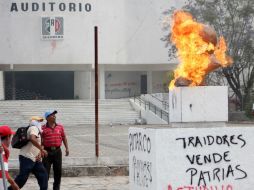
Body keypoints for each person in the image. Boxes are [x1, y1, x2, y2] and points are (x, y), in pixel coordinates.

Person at [8, 117, 48, 190]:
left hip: (35, 159)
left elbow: (36, 143)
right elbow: (32, 139)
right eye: (39, 121)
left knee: (43, 176)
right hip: (27, 157)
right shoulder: (34, 128)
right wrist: (42, 149)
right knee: (22, 178)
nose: (40, 123)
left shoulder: (37, 130)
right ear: (34, 121)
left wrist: (39, 152)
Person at [42, 110, 69, 190]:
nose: (54, 116)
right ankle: (44, 187)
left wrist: (67, 148)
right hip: (47, 152)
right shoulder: (43, 128)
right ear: (47, 118)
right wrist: (41, 151)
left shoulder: (60, 127)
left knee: (58, 171)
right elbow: (40, 141)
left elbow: (64, 137)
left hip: (57, 151)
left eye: (54, 115)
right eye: (52, 115)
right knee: (45, 172)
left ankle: (56, 188)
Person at [0, 125, 20, 190]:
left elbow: (4, 171)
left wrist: (13, 183)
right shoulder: (1, 151)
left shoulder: (3, 151)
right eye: (11, 137)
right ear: (8, 137)